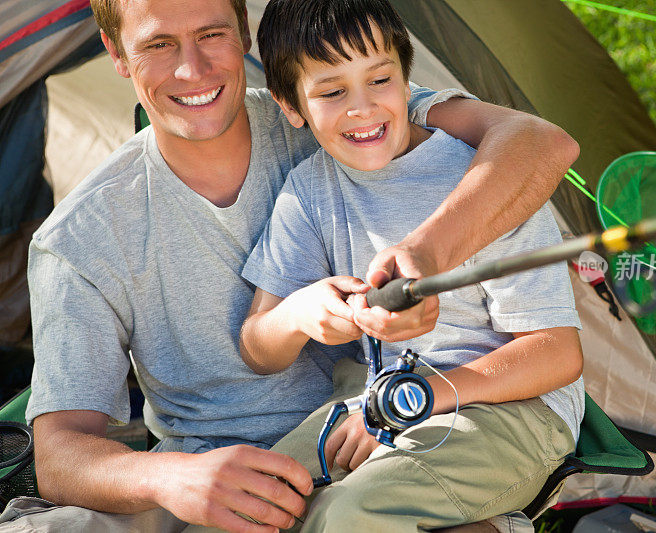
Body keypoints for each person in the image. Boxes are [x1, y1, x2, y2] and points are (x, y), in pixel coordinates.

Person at [0, 0, 579, 531]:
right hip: (219, 475)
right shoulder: (80, 238)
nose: (192, 68)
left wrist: (430, 253)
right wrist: (172, 477)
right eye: (158, 44)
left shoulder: (343, 112)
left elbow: (535, 147)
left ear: (243, 32)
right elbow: (59, 455)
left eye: (211, 34)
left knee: (348, 516)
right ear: (116, 51)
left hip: (389, 425)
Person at [239, 0, 584, 531]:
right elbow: (258, 348)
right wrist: (301, 315)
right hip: (375, 403)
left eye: (380, 79)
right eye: (331, 92)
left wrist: (422, 399)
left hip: (513, 410)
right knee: (247, 510)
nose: (362, 107)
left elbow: (557, 354)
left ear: (407, 80)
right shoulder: (308, 193)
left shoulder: (485, 183)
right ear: (291, 105)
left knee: (348, 516)